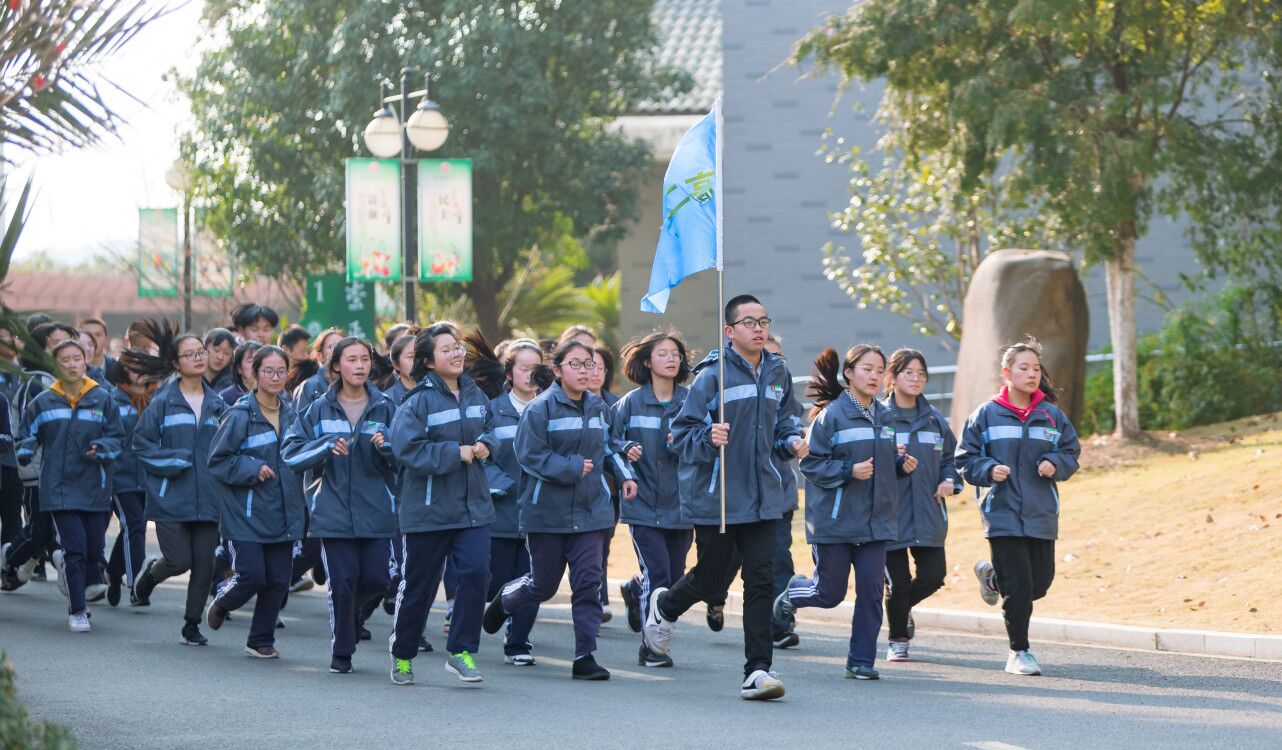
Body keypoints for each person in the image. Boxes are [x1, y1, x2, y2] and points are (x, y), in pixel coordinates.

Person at [640, 294, 806, 701]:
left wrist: (792, 441)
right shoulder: (711, 377)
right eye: (748, 322)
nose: (759, 328)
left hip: (765, 498)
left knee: (761, 582)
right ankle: (665, 608)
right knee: (712, 577)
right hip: (718, 499)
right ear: (730, 332)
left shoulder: (778, 371)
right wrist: (708, 437)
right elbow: (680, 435)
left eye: (763, 320)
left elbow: (785, 422)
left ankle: (758, 671)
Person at [482, 338, 637, 682]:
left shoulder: (598, 407)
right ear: (556, 370)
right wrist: (569, 467)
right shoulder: (540, 410)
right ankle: (504, 602)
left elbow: (609, 448)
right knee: (543, 585)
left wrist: (625, 476)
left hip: (591, 511)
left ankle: (585, 656)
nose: (586, 371)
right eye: (577, 364)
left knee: (587, 583)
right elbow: (528, 456)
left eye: (590, 364)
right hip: (545, 513)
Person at [773, 345, 900, 680]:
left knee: (872, 592)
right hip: (835, 521)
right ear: (849, 373)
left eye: (879, 370)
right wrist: (848, 471)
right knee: (829, 594)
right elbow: (811, 464)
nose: (874, 376)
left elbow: (882, 467)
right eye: (867, 369)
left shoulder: (887, 416)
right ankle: (794, 591)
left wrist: (901, 464)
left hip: (876, 522)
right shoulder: (832, 415)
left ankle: (860, 660)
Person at [956, 338, 1081, 676]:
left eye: (1036, 368)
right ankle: (1019, 652)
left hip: (1041, 512)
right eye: (1024, 368)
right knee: (1021, 585)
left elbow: (1071, 454)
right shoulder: (985, 414)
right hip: (1002, 511)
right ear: (1006, 372)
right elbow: (965, 460)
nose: (1031, 374)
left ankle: (993, 579)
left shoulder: (1051, 415)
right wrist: (988, 470)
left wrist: (1055, 462)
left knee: (1039, 583)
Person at [387, 324, 499, 686]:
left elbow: (492, 428)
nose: (456, 354)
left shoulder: (476, 394)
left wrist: (486, 444)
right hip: (428, 511)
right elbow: (407, 449)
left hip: (473, 508)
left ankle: (462, 652)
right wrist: (457, 452)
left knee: (476, 576)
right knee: (419, 587)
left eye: (457, 348)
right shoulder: (416, 401)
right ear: (429, 362)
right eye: (446, 349)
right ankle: (403, 654)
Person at [279, 337, 397, 673]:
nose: (360, 365)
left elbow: (405, 455)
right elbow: (292, 454)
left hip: (376, 508)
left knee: (377, 579)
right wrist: (325, 446)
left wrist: (386, 445)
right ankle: (342, 650)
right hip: (331, 510)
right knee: (342, 583)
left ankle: (350, 615)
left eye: (365, 359)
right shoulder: (317, 409)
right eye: (351, 360)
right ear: (335, 366)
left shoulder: (386, 407)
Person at [127, 320, 229, 646]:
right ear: (176, 363)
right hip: (171, 496)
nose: (198, 358)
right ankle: (148, 578)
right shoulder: (162, 402)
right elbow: (142, 444)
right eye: (190, 354)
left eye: (201, 352)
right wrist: (173, 462)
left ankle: (191, 624)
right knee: (178, 561)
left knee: (205, 564)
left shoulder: (218, 404)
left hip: (209, 498)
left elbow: (229, 447)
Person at [703, 333, 805, 649]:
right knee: (728, 560)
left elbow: (789, 422)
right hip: (736, 492)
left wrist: (793, 441)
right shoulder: (722, 380)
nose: (770, 361)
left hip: (776, 492)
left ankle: (778, 625)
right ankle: (715, 597)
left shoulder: (778, 385)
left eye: (776, 357)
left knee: (778, 559)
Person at [14, 338, 123, 631]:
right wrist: (24, 452)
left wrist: (102, 447)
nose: (73, 364)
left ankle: (80, 599)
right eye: (66, 360)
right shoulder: (43, 402)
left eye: (77, 358)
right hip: (59, 489)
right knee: (74, 550)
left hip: (96, 488)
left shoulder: (103, 399)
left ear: (85, 362)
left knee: (92, 550)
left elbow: (118, 438)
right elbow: (26, 435)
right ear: (56, 366)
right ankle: (77, 609)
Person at [206, 345, 306, 658]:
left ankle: (260, 639)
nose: (275, 377)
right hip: (245, 513)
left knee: (278, 580)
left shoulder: (293, 414)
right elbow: (218, 460)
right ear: (255, 373)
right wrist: (252, 468)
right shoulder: (239, 414)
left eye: (281, 371)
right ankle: (223, 601)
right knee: (252, 574)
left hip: (285, 510)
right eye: (268, 371)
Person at [611, 331, 693, 667]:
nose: (672, 359)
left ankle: (635, 588)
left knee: (674, 578)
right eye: (663, 354)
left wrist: (685, 442)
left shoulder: (691, 401)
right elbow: (609, 441)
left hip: (683, 505)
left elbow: (705, 443)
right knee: (659, 572)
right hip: (643, 503)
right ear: (647, 361)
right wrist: (625, 449)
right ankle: (652, 647)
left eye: (675, 353)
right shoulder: (630, 403)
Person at [881, 349, 961, 662]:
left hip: (929, 514)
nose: (916, 379)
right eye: (909, 373)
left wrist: (950, 481)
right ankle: (897, 640)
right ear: (893, 377)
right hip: (889, 516)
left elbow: (952, 460)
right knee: (898, 583)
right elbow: (865, 460)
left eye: (921, 374)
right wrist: (889, 456)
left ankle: (902, 609)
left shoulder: (934, 421)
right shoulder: (880, 418)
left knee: (933, 576)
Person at [480, 339, 548, 666]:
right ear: (509, 373)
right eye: (524, 368)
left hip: (543, 513)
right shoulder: (491, 411)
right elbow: (482, 458)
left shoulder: (552, 408)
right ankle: (495, 607)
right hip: (501, 512)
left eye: (537, 369)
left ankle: (518, 642)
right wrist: (503, 484)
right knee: (496, 580)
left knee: (534, 580)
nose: (530, 375)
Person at [1, 322, 78, 593]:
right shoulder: (33, 383)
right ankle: (10, 560)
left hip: (68, 470)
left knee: (56, 528)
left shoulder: (79, 384)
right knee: (38, 531)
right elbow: (25, 430)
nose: (66, 349)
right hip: (38, 469)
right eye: (58, 344)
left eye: (69, 342)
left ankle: (76, 577)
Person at [104, 359, 154, 606]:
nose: (141, 373)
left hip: (145, 478)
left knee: (134, 528)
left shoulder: (153, 398)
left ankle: (113, 574)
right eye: (135, 368)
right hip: (119, 478)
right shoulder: (112, 399)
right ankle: (137, 586)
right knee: (133, 524)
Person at [219, 341, 261, 406]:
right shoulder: (225, 398)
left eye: (259, 361)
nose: (255, 365)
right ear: (239, 368)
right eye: (250, 361)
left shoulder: (272, 394)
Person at [381, 334, 416, 405]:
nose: (417, 361)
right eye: (410, 356)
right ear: (396, 364)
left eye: (420, 355)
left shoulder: (437, 391)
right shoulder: (387, 401)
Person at [202, 328, 238, 393]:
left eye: (226, 353)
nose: (220, 357)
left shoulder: (234, 384)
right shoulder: (192, 376)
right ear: (205, 348)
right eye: (216, 350)